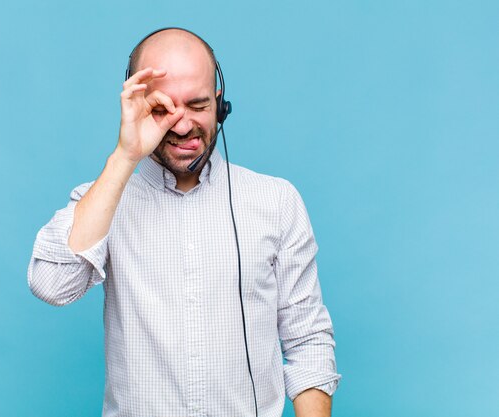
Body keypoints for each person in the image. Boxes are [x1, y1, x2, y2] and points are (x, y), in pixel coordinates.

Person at [28, 28, 341, 417]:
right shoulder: (104, 200)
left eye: (197, 105)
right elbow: (52, 285)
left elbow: (308, 340)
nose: (181, 126)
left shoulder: (276, 201)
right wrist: (126, 155)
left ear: (220, 105)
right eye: (162, 110)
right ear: (137, 107)